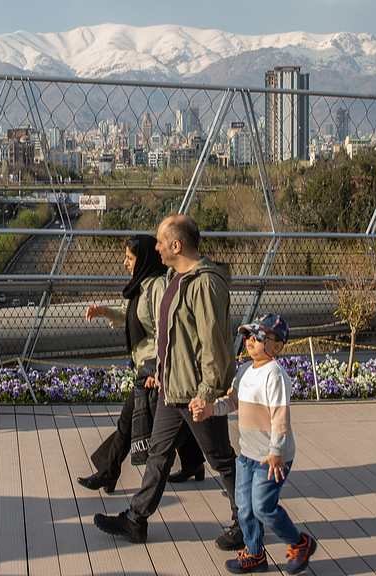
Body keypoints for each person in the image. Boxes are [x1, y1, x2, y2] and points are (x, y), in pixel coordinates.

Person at [93, 215, 241, 549]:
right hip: (172, 388)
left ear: (177, 245)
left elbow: (214, 345)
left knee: (221, 459)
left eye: (160, 241)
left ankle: (245, 521)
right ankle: (136, 520)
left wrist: (207, 395)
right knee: (158, 455)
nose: (155, 247)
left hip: (195, 394)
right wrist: (161, 372)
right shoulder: (175, 276)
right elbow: (171, 336)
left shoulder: (205, 284)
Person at [78, 235, 204, 494]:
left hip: (152, 367)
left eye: (130, 258)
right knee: (179, 418)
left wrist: (159, 370)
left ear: (144, 258)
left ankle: (108, 472)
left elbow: (165, 329)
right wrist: (104, 311)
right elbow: (134, 315)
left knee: (129, 420)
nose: (125, 262)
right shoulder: (142, 285)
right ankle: (194, 463)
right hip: (146, 366)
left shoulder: (157, 286)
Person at [193, 313, 318, 575]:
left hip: (272, 458)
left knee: (263, 506)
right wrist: (210, 410)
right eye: (249, 335)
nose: (250, 340)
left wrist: (276, 452)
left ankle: (300, 543)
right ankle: (254, 553)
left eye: (259, 336)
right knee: (245, 507)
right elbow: (231, 402)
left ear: (276, 346)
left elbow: (280, 417)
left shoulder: (275, 375)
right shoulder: (246, 371)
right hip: (247, 455)